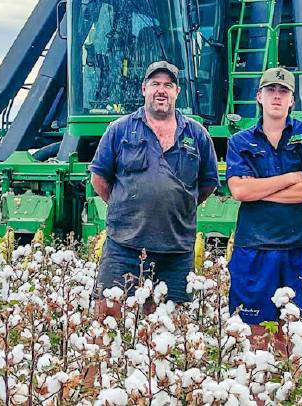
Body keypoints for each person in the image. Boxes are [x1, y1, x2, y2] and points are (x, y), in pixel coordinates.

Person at [89, 60, 220, 310]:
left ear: (177, 92)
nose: (161, 90)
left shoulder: (197, 135)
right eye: (155, 84)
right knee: (107, 314)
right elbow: (99, 178)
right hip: (124, 246)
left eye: (168, 85)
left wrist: (180, 203)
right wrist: (125, 204)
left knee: (169, 327)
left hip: (176, 250)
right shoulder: (119, 130)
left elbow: (207, 184)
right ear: (144, 89)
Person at [225, 66, 302, 341]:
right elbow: (239, 191)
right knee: (253, 332)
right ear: (258, 96)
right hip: (253, 247)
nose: (276, 96)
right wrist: (291, 178)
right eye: (270, 90)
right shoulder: (240, 141)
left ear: (292, 99)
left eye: (283, 91)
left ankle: (290, 383)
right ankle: (257, 382)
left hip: (299, 247)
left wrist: (258, 188)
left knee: (297, 332)